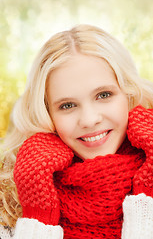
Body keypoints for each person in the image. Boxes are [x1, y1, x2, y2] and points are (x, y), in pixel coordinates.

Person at [0, 24, 153, 239]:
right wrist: (38, 215)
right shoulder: (10, 204)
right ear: (47, 114)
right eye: (67, 106)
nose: (90, 120)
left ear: (127, 93)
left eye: (104, 95)